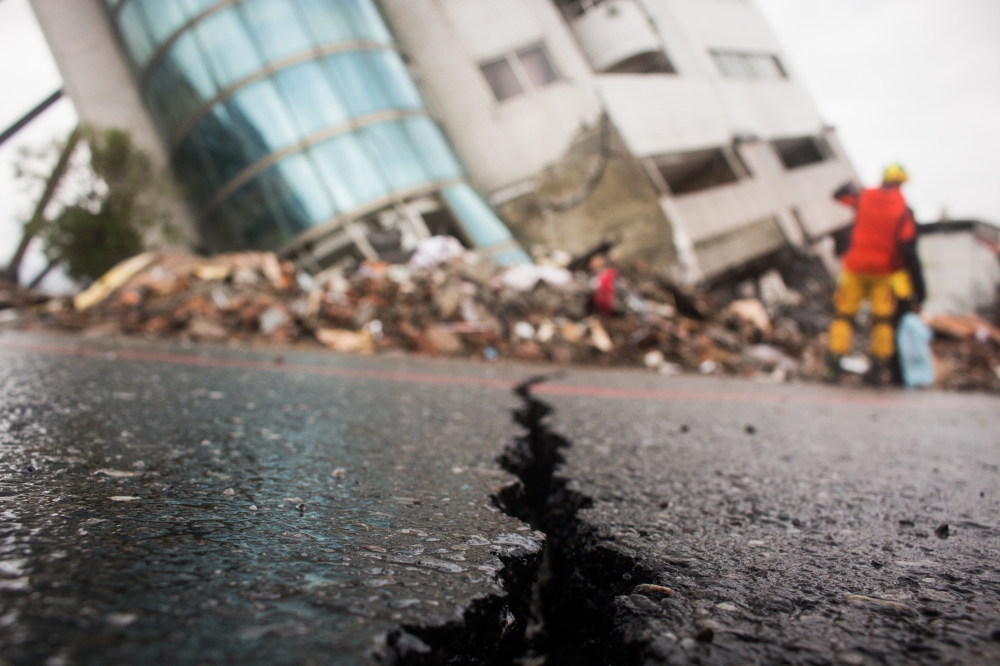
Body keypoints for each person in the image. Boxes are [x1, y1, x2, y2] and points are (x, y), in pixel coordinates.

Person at [824, 164, 925, 386]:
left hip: (854, 269)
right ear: (902, 182)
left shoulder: (864, 197)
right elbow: (909, 249)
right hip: (883, 274)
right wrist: (919, 290)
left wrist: (846, 184)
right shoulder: (904, 211)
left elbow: (839, 196)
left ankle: (833, 365)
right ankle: (877, 370)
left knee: (843, 317)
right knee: (882, 321)